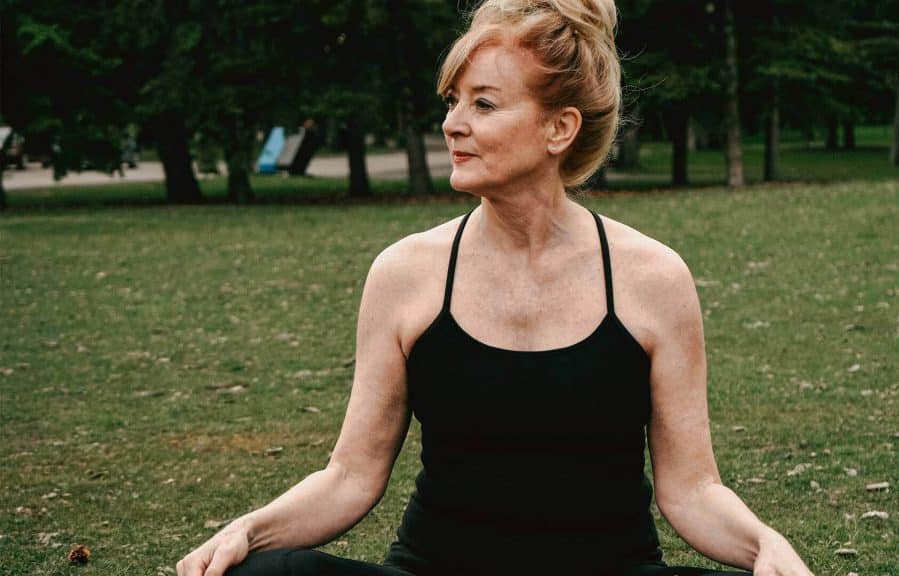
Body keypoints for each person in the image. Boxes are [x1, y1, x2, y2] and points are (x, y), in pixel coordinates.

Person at [176, 1, 814, 575]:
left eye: (482, 104)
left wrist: (764, 544)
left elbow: (692, 490)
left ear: (559, 129)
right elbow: (350, 476)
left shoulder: (653, 279)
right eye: (452, 101)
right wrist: (250, 531)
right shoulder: (404, 274)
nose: (453, 124)